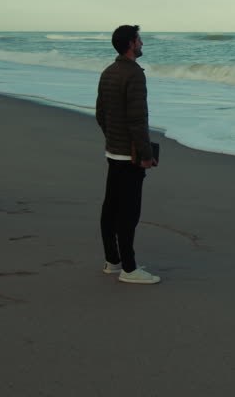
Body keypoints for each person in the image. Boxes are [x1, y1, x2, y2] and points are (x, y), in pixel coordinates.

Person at [95, 24, 160, 285]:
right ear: (131, 44)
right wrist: (145, 154)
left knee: (110, 208)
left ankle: (112, 262)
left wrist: (113, 139)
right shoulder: (134, 75)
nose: (142, 43)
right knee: (129, 213)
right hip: (129, 155)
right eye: (139, 39)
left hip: (113, 150)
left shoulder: (108, 72)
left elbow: (101, 114)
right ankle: (130, 270)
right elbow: (136, 120)